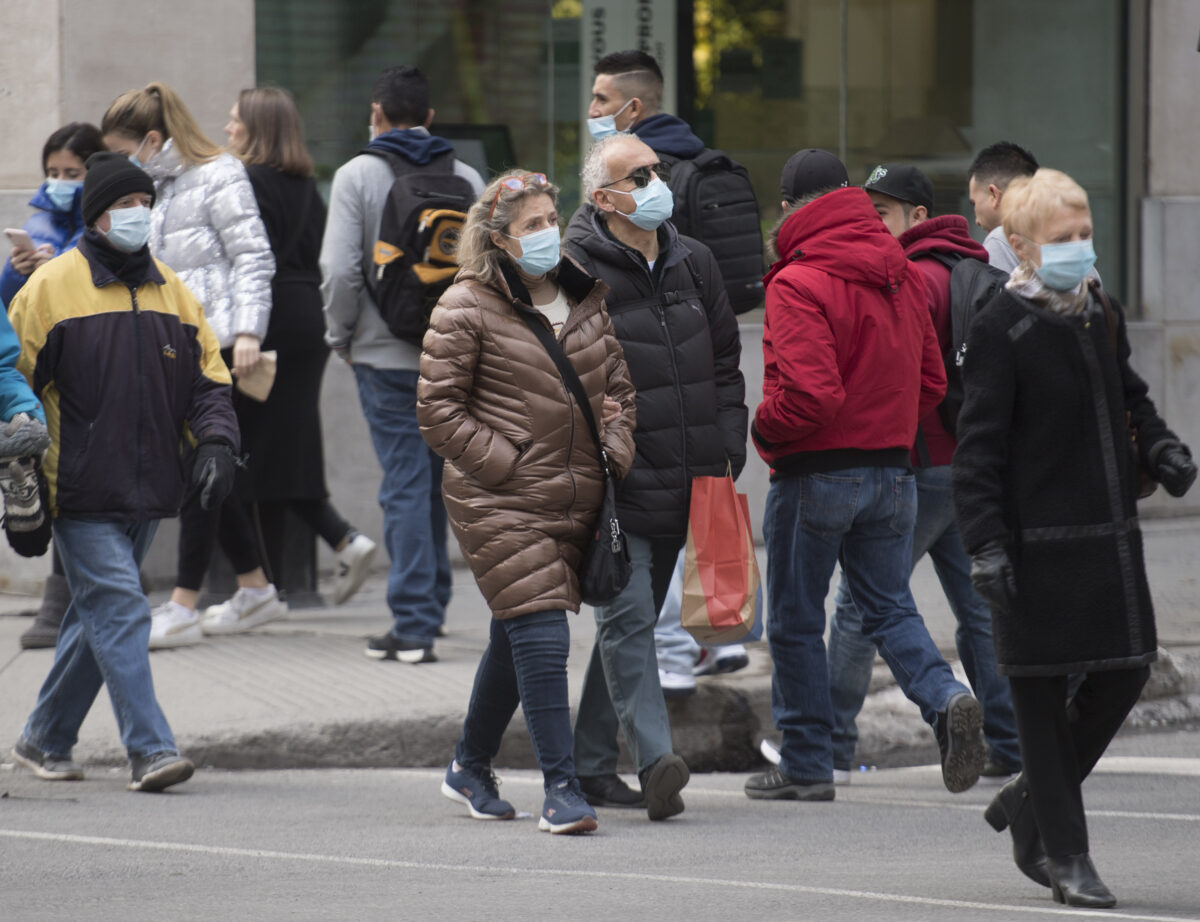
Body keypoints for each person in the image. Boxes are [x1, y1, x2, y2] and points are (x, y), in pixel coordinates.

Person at [954, 168, 1196, 908]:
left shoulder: (1100, 311)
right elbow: (978, 449)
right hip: (1030, 546)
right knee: (1037, 697)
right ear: (1023, 247)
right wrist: (986, 544)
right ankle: (1065, 855)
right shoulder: (1000, 325)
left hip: (1106, 542)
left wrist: (1162, 448)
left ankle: (1030, 797)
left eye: (1086, 234)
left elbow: (1131, 398)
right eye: (1064, 238)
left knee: (1126, 672)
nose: (1081, 249)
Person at [746, 148, 985, 804]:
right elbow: (932, 382)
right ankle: (946, 697)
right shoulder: (898, 269)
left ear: (788, 208)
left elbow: (811, 396)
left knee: (796, 618)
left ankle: (806, 763)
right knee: (888, 606)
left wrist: (763, 430)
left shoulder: (796, 280)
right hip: (895, 471)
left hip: (816, 473)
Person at [7, 152, 240, 791]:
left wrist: (216, 444)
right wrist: (22, 484)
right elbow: (14, 389)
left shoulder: (173, 290)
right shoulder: (49, 289)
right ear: (96, 216)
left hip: (150, 488)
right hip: (76, 490)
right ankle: (151, 748)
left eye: (145, 203)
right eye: (125, 205)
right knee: (122, 609)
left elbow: (209, 381)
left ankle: (43, 737)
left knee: (99, 621)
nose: (139, 214)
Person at [419, 169, 636, 834]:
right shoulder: (465, 306)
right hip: (500, 500)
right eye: (531, 225)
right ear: (499, 239)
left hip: (578, 497)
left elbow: (620, 390)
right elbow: (437, 411)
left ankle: (468, 765)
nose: (547, 233)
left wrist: (614, 450)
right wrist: (506, 463)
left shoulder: (584, 297)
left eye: (550, 219)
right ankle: (561, 789)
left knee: (516, 631)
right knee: (542, 631)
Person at [563, 133, 747, 819]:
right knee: (630, 617)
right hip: (616, 482)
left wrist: (728, 443)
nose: (655, 183)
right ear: (603, 198)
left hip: (689, 477)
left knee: (627, 626)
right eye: (637, 177)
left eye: (655, 171)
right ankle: (655, 760)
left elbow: (725, 362)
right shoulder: (574, 270)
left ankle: (588, 765)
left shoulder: (694, 260)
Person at [824, 162, 1022, 784]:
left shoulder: (908, 278)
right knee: (981, 611)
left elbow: (906, 378)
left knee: (861, 604)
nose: (870, 224)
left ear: (916, 216)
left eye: (881, 214)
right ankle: (1010, 743)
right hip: (973, 469)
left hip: (916, 467)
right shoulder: (975, 269)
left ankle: (827, 746)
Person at [100, 82, 281, 648]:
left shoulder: (220, 174)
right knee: (204, 469)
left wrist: (248, 330)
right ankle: (254, 587)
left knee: (202, 463)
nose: (119, 162)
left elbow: (252, 255)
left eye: (123, 150)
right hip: (169, 347)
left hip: (218, 345)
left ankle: (183, 603)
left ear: (152, 140)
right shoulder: (147, 189)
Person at [321, 65, 483, 663]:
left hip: (383, 355)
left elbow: (339, 271)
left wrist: (340, 334)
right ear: (430, 118)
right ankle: (432, 606)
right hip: (453, 353)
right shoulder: (467, 176)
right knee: (437, 482)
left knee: (405, 486)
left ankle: (413, 626)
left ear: (376, 114)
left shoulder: (356, 175)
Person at [219, 87, 377, 612]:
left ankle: (287, 569)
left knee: (241, 449)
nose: (228, 128)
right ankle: (321, 553)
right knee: (283, 446)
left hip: (261, 321)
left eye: (236, 120)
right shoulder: (307, 186)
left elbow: (243, 260)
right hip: (306, 319)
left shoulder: (243, 182)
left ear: (257, 128)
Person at [1, 123, 105, 650]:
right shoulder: (38, 220)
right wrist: (20, 271)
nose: (60, 182)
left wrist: (59, 271)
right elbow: (9, 305)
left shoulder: (106, 222)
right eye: (53, 172)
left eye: (73, 172)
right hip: (44, 367)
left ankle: (78, 593)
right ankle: (65, 594)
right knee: (56, 474)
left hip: (92, 366)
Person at [586, 49, 764, 314]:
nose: (592, 110)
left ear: (633, 108)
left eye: (601, 98)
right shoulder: (695, 153)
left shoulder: (636, 177)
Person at [966, 142, 1039, 272]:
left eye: (974, 203)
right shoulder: (1062, 236)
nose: (976, 221)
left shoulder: (999, 239)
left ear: (994, 195)